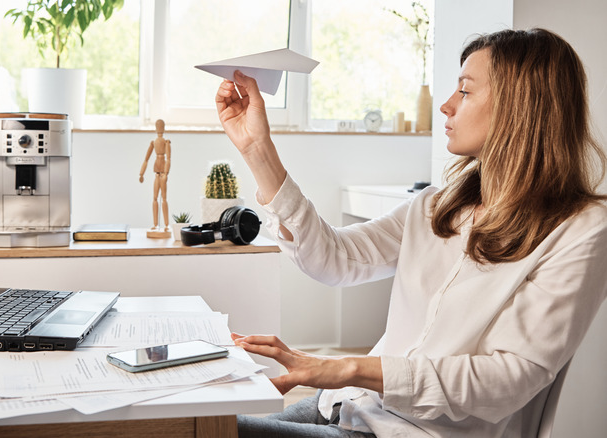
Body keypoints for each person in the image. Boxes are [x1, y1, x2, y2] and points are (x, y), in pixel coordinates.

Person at [216, 28, 607, 437]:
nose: (446, 105)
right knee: (199, 425)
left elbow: (508, 378)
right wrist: (257, 149)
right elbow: (335, 259)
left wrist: (342, 367)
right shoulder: (439, 204)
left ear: (519, 107)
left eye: (466, 91)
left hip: (411, 431)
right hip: (348, 403)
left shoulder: (581, 229)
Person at [139, 119, 172, 236]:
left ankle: (166, 225)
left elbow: (168, 158)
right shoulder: (153, 143)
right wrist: (141, 173)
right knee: (154, 198)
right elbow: (146, 159)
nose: (159, 129)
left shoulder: (166, 142)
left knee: (163, 198)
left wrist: (166, 174)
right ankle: (155, 224)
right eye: (158, 127)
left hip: (163, 173)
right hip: (157, 173)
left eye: (160, 127)